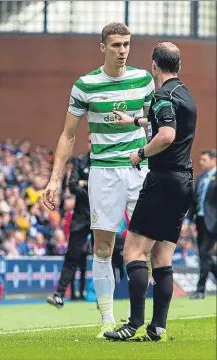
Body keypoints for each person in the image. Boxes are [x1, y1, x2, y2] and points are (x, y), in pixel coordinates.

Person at [43, 22, 154, 338]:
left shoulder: (143, 80)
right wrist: (54, 180)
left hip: (138, 170)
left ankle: (150, 320)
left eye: (127, 44)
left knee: (149, 245)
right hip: (103, 173)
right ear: (103, 47)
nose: (122, 51)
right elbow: (68, 135)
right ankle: (107, 319)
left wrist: (153, 160)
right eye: (116, 45)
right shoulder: (85, 85)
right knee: (103, 248)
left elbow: (153, 124)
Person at [104, 42, 196, 342]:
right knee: (162, 258)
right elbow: (167, 121)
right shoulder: (184, 94)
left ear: (154, 65)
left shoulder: (162, 95)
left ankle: (132, 324)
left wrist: (141, 153)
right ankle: (157, 328)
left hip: (163, 181)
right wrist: (135, 121)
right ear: (178, 66)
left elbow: (167, 133)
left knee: (133, 251)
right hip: (184, 182)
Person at [47, 133, 91, 307]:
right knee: (71, 256)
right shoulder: (80, 161)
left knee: (104, 256)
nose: (91, 143)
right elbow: (72, 186)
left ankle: (105, 298)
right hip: (81, 217)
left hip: (101, 215)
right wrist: (88, 187)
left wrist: (84, 183)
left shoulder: (105, 162)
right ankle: (59, 293)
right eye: (88, 141)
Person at [186, 149, 216, 299]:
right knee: (205, 255)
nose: (201, 163)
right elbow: (194, 202)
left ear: (213, 160)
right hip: (200, 221)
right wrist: (188, 220)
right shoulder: (200, 177)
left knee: (205, 253)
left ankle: (200, 290)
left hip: (214, 223)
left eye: (204, 160)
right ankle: (201, 289)